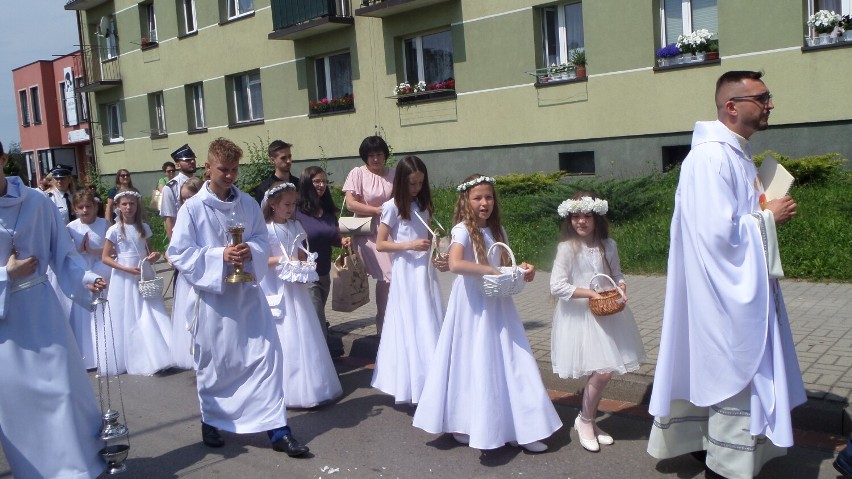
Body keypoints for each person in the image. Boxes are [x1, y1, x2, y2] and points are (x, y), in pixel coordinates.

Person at [647, 71, 805, 479]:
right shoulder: (711, 157)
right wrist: (767, 217)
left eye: (769, 96)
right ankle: (725, 466)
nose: (770, 104)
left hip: (739, 285)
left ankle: (713, 449)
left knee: (722, 379)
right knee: (730, 375)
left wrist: (763, 209)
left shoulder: (735, 151)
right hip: (722, 295)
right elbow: (716, 240)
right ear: (731, 106)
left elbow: (733, 221)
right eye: (762, 97)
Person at [167, 137, 309, 456]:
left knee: (267, 357)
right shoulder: (193, 209)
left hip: (248, 297)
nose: (230, 176)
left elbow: (261, 239)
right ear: (207, 168)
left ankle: (278, 429)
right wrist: (220, 255)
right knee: (217, 364)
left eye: (234, 170)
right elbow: (178, 253)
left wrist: (250, 251)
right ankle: (212, 420)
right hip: (214, 301)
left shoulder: (246, 203)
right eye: (223, 170)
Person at [412, 174, 561, 452]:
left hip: (498, 304)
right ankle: (465, 422)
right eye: (478, 197)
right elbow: (455, 264)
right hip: (471, 306)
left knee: (513, 361)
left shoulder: (498, 231)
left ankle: (521, 427)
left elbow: (504, 262)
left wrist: (523, 270)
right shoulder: (462, 230)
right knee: (472, 362)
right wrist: (490, 270)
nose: (484, 203)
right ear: (466, 201)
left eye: (489, 197)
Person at [0, 140, 108, 479]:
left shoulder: (36, 201)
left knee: (62, 390)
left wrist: (87, 278)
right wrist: (6, 274)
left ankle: (77, 469)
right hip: (6, 323)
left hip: (42, 311)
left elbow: (63, 254)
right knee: (20, 405)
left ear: (3, 159)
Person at [550, 192, 646, 452]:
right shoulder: (568, 248)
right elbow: (556, 285)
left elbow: (616, 273)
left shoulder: (608, 245)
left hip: (608, 313)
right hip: (581, 317)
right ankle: (585, 420)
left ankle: (588, 419)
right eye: (576, 216)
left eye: (587, 216)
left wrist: (622, 286)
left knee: (604, 372)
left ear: (597, 218)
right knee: (602, 371)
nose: (581, 221)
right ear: (569, 219)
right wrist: (591, 293)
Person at [259, 182, 343, 408]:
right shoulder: (265, 230)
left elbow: (299, 254)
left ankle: (311, 385)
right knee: (284, 334)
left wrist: (304, 264)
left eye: (294, 204)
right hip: (276, 287)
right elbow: (260, 260)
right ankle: (282, 387)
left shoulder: (296, 226)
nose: (291, 208)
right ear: (273, 204)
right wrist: (282, 260)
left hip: (295, 287)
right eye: (287, 204)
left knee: (305, 333)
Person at [371, 156, 444, 405]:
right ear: (402, 182)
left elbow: (426, 235)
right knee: (411, 321)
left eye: (421, 183)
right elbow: (381, 244)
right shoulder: (392, 207)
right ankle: (412, 381)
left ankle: (433, 378)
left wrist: (436, 249)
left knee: (428, 318)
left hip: (423, 270)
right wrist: (409, 244)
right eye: (412, 184)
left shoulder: (423, 205)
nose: (417, 188)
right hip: (406, 270)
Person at [101, 188, 173, 375]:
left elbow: (151, 251)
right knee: (127, 312)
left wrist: (154, 256)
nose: (128, 207)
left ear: (137, 206)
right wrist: (124, 268)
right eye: (124, 204)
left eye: (132, 204)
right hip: (124, 274)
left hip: (143, 272)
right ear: (117, 207)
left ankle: (158, 352)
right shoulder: (114, 230)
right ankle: (133, 354)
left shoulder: (144, 227)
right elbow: (106, 257)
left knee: (148, 310)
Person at [342, 135, 394, 335]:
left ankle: (393, 317)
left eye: (379, 154)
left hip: (390, 230)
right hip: (367, 232)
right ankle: (382, 322)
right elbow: (351, 203)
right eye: (371, 155)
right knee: (387, 277)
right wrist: (376, 210)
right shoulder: (358, 173)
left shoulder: (394, 174)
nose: (375, 159)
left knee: (395, 276)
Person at [295, 166, 350, 356]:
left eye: (324, 181)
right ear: (306, 183)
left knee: (313, 320)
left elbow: (333, 236)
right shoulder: (296, 211)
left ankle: (308, 358)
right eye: (317, 181)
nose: (321, 185)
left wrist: (342, 240)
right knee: (317, 321)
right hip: (306, 276)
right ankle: (322, 363)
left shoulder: (326, 211)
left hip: (324, 274)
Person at [67, 189, 111, 370]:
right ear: (75, 208)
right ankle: (87, 354)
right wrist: (80, 251)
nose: (85, 210)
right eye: (81, 207)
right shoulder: (71, 227)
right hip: (82, 270)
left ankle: (105, 351)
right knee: (84, 314)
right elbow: (67, 254)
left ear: (95, 207)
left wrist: (91, 251)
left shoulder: (105, 224)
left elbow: (112, 251)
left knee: (102, 311)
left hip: (102, 268)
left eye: (88, 206)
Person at [168, 175, 206, 370]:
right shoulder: (183, 215)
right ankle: (189, 351)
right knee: (187, 313)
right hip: (186, 273)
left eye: (189, 197)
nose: (185, 202)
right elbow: (176, 245)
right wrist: (171, 256)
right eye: (183, 198)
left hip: (204, 269)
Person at [160, 144, 198, 240]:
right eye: (187, 160)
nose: (192, 161)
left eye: (193, 159)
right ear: (177, 165)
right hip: (184, 235)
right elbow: (169, 219)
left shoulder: (200, 183)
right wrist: (173, 247)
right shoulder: (171, 187)